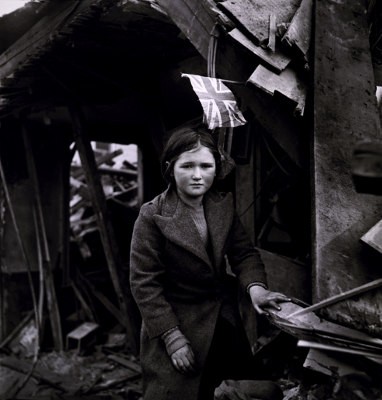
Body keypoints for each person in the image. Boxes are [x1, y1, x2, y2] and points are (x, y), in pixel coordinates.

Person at [129, 125, 290, 400]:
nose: (197, 175)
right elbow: (144, 284)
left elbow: (243, 254)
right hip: (176, 321)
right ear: (170, 168)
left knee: (238, 391)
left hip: (221, 320)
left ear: (216, 169)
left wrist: (257, 291)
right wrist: (173, 339)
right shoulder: (152, 215)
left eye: (206, 166)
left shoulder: (222, 205)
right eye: (187, 166)